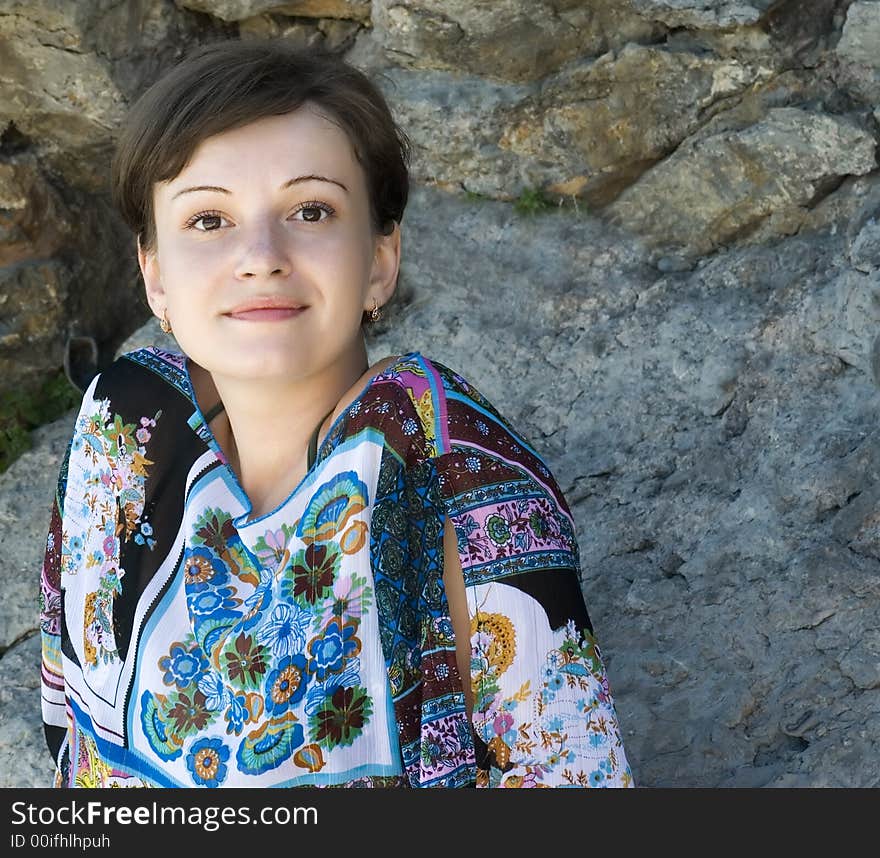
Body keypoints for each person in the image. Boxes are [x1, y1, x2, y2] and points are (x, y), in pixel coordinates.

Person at [39, 38, 634, 788]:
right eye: (208, 220)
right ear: (153, 275)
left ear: (381, 260)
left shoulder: (450, 486)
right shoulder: (122, 424)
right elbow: (71, 727)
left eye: (310, 209)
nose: (260, 254)